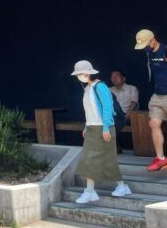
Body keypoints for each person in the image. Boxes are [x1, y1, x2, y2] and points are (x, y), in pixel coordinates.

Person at [71, 60, 130, 203]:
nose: (79, 76)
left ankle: (119, 186)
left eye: (80, 74)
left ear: (87, 73)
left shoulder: (100, 87)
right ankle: (91, 191)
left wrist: (105, 128)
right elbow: (90, 111)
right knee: (90, 159)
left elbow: (108, 108)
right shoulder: (87, 89)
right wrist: (86, 126)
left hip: (104, 128)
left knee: (106, 160)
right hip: (92, 128)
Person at [134, 29, 167, 171]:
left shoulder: (165, 50)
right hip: (158, 95)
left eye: (146, 44)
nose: (145, 48)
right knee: (153, 123)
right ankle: (161, 159)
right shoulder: (149, 53)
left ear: (153, 39)